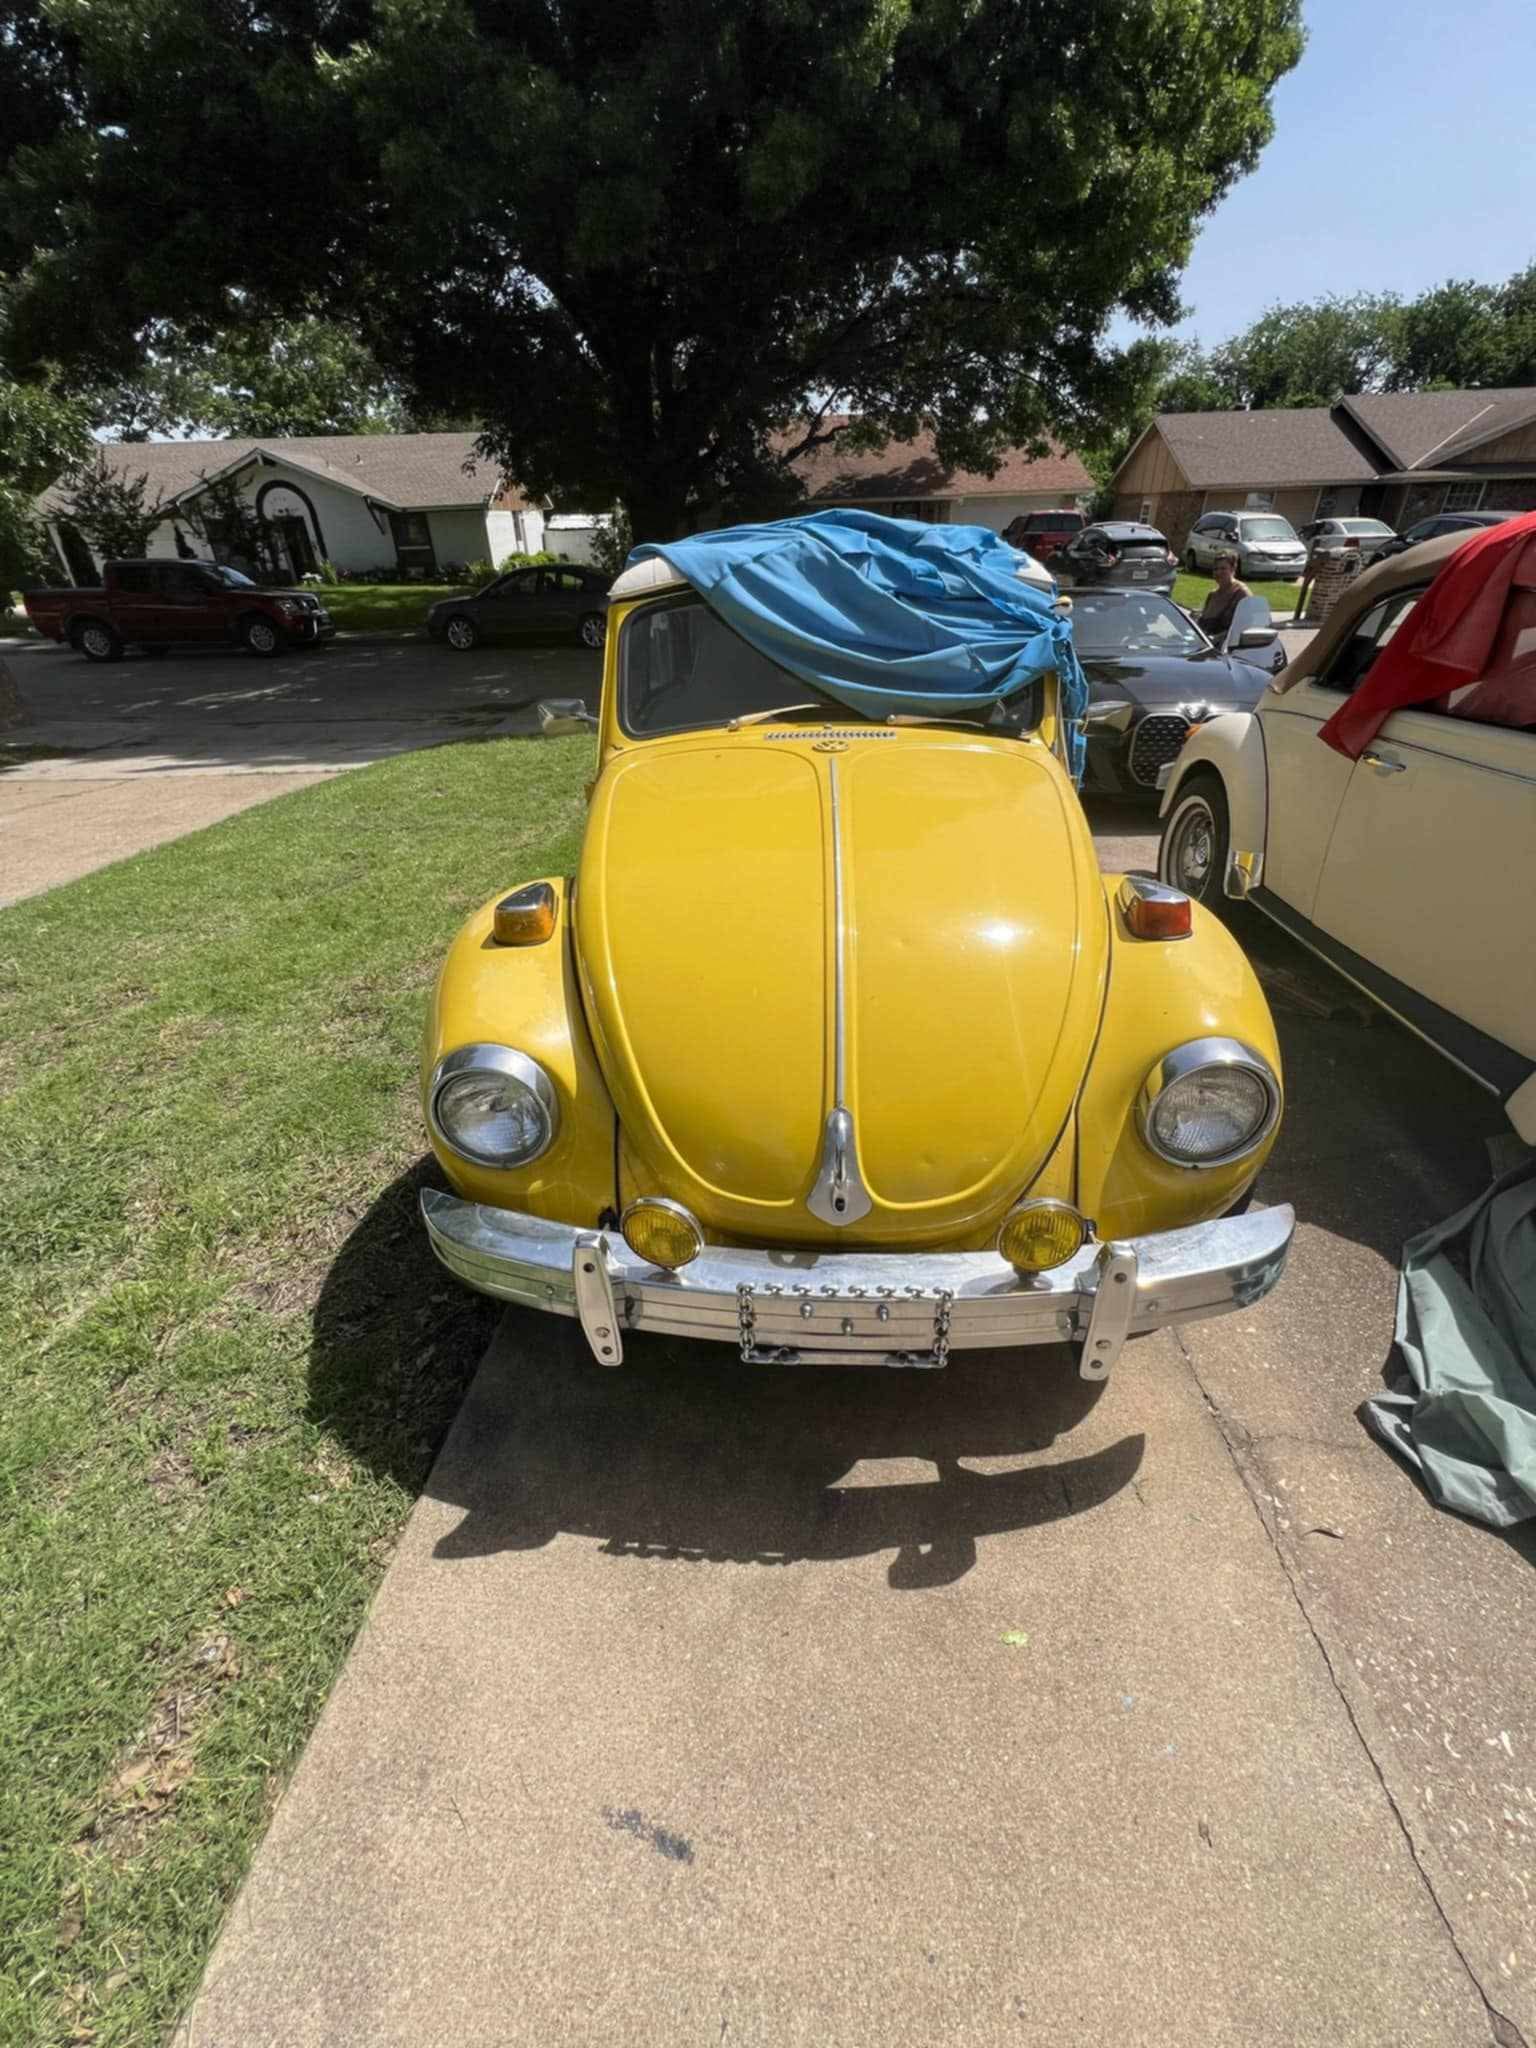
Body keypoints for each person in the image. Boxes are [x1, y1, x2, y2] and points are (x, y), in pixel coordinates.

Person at [1196, 551, 1251, 644]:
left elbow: (1246, 627)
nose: (1218, 572)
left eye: (1223, 568)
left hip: (1229, 649)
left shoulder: (1241, 593)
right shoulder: (1212, 595)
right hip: (1205, 646)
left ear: (1233, 569)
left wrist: (1217, 638)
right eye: (1215, 569)